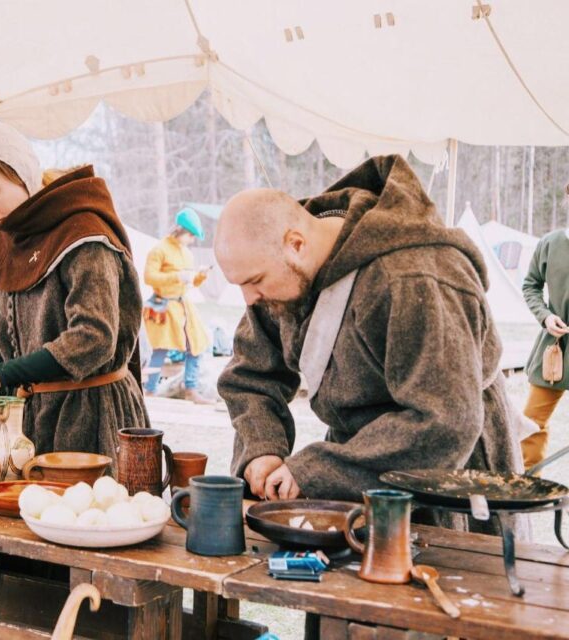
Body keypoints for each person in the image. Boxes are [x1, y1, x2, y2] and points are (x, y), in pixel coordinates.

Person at [214, 155, 521, 513]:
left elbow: (446, 422)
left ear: (296, 244)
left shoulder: (413, 276)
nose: (249, 300)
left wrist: (316, 472)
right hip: (357, 465)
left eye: (254, 281)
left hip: (448, 473)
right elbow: (251, 376)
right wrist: (261, 449)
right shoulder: (280, 266)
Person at [0, 122, 148, 469]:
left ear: (23, 175)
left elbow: (95, 337)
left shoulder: (83, 235)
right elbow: (3, 343)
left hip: (94, 415)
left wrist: (1, 375)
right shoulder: (4, 241)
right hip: (32, 421)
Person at [143, 207, 213, 404]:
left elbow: (189, 282)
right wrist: (177, 276)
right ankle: (149, 390)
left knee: (196, 345)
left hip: (183, 305)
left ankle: (191, 388)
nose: (191, 240)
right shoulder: (159, 250)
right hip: (163, 306)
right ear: (180, 231)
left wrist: (200, 276)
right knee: (160, 349)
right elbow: (149, 277)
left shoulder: (186, 254)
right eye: (190, 235)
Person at [520, 207, 569, 469]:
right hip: (556, 347)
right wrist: (546, 317)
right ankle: (529, 488)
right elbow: (531, 285)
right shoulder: (550, 243)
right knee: (531, 423)